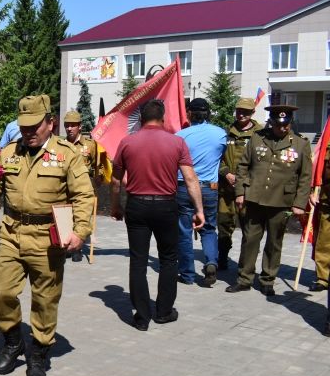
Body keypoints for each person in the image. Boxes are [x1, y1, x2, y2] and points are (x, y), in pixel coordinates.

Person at [0, 96, 95, 376]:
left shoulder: (67, 154)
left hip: (48, 237)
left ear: (50, 123)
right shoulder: (9, 153)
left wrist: (80, 231)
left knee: (45, 298)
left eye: (35, 126)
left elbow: (84, 195)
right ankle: (13, 342)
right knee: (1, 289)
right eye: (24, 127)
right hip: (12, 233)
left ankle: (38, 352)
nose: (29, 132)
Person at [110, 99, 205, 331]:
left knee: (138, 261)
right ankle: (163, 312)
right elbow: (191, 179)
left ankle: (142, 317)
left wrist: (116, 206)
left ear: (141, 119)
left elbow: (115, 180)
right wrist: (199, 210)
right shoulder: (177, 142)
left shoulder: (127, 142)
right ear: (162, 118)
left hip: (137, 206)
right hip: (166, 206)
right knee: (168, 259)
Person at [227, 104, 312, 296]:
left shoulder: (301, 143)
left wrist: (299, 203)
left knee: (274, 242)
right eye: (278, 125)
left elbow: (305, 176)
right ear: (271, 122)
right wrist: (240, 192)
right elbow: (243, 166)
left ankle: (267, 279)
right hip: (254, 198)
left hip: (281, 200)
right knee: (250, 240)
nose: (283, 128)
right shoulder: (258, 137)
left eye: (286, 124)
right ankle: (244, 278)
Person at [174, 98, 227, 286]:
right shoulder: (220, 134)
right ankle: (211, 261)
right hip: (210, 188)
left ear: (190, 113)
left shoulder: (180, 135)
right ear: (208, 113)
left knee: (184, 230)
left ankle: (187, 274)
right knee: (209, 228)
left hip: (184, 187)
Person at [218, 97, 262, 271]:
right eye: (239, 111)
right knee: (223, 226)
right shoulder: (226, 131)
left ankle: (245, 266)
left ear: (252, 113)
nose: (241, 114)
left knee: (250, 231)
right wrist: (226, 172)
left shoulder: (260, 134)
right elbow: (217, 156)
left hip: (249, 191)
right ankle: (222, 258)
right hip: (227, 191)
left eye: (246, 111)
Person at [62, 110, 99, 262]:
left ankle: (78, 247)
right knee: (65, 218)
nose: (69, 128)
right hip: (65, 189)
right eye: (67, 125)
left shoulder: (90, 145)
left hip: (83, 188)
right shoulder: (61, 145)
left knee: (81, 217)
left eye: (73, 125)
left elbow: (99, 164)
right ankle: (66, 246)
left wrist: (97, 182)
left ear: (79, 126)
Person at [311, 139, 330, 292]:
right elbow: (318, 168)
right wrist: (313, 190)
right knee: (324, 242)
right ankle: (323, 278)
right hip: (327, 199)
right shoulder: (326, 142)